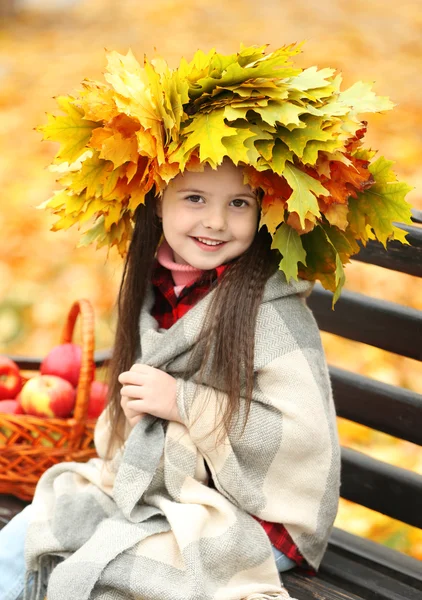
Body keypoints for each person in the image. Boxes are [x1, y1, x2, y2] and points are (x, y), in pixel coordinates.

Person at [0, 43, 411, 600]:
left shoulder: (272, 314)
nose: (215, 222)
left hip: (258, 520)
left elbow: (301, 440)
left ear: (267, 211)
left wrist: (185, 404)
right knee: (29, 534)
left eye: (241, 203)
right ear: (156, 200)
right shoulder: (157, 284)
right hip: (170, 492)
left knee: (111, 571)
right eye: (195, 197)